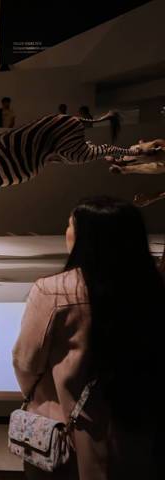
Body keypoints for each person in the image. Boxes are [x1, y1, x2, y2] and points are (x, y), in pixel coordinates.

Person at [13, 197, 162, 479]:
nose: (66, 231)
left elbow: (27, 363)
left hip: (66, 434)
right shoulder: (152, 287)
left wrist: (38, 400)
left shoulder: (52, 291)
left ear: (85, 238)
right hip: (141, 428)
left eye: (70, 225)